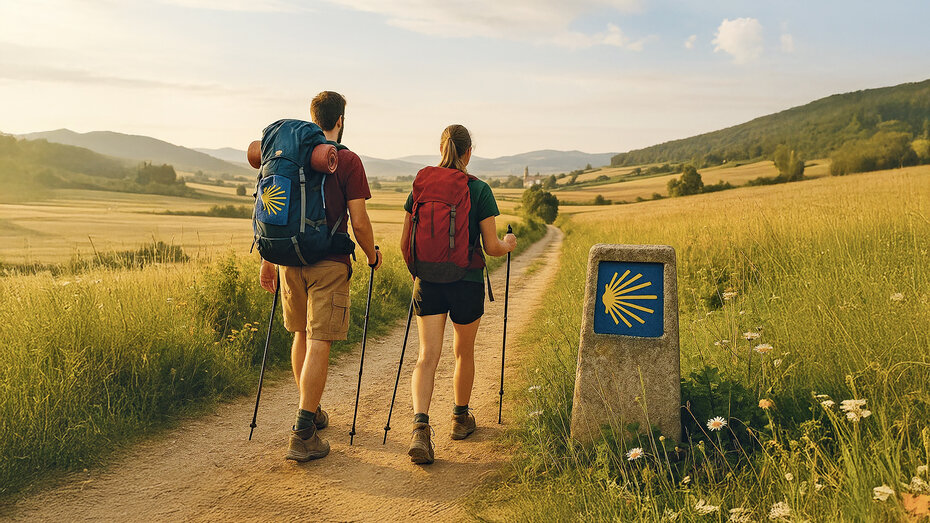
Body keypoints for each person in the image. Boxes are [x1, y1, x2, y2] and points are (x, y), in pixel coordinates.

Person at [259, 91, 382, 462]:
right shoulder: (347, 161)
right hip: (328, 262)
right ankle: (303, 430)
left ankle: (309, 412)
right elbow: (358, 221)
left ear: (313, 118)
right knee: (320, 340)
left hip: (288, 260)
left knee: (300, 335)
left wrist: (267, 260)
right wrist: (372, 255)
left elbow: (272, 210)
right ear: (340, 121)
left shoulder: (289, 155)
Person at [400, 124, 517, 465]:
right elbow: (492, 247)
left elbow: (406, 238)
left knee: (427, 356)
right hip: (466, 282)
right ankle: (459, 418)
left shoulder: (421, 183)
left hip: (428, 281)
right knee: (463, 352)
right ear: (469, 152)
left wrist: (416, 271)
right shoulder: (479, 190)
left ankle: (420, 428)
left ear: (440, 148)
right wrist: (509, 245)